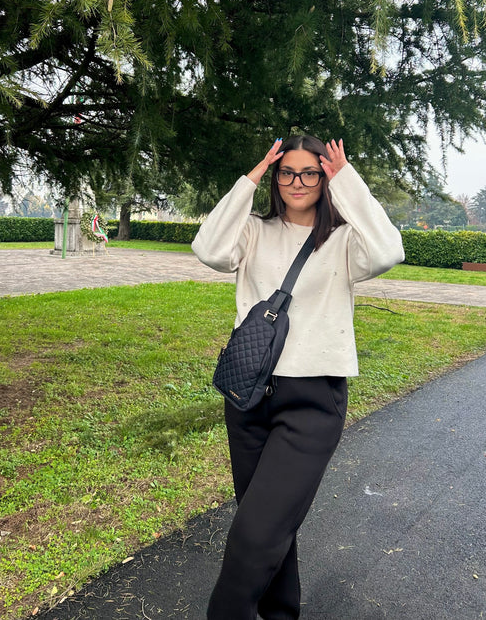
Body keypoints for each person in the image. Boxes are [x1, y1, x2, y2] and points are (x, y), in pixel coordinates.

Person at [191, 134, 405, 620]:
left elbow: (389, 250)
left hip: (312, 401)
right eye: (287, 172)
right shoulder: (253, 232)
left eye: (311, 172)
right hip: (248, 395)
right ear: (276, 178)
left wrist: (346, 179)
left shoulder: (345, 242)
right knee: (267, 526)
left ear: (324, 179)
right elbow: (208, 248)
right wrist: (249, 179)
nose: (298, 181)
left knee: (255, 533)